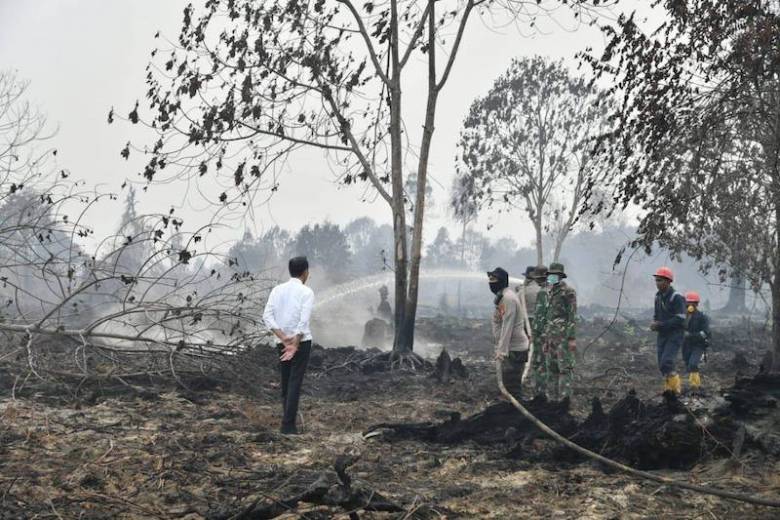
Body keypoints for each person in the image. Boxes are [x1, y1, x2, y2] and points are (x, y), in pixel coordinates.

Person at [262, 256, 315, 434]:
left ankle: (287, 420)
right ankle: (288, 426)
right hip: (301, 343)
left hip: (281, 343)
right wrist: (295, 343)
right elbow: (304, 320)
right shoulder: (307, 292)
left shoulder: (277, 290)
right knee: (294, 383)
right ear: (305, 272)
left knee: (286, 382)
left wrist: (283, 338)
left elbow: (267, 317)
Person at [488, 267, 531, 400]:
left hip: (514, 350)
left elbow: (508, 325)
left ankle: (519, 412)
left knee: (512, 387)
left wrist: (502, 351)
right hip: (511, 349)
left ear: (501, 281)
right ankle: (511, 411)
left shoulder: (508, 298)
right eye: (489, 279)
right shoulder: (503, 297)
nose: (490, 282)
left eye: (493, 279)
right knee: (508, 387)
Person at [536, 262, 577, 401]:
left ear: (560, 276)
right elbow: (547, 317)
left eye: (554, 275)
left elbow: (572, 315)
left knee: (564, 368)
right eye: (550, 275)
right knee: (551, 369)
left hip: (563, 338)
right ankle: (552, 401)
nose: (551, 277)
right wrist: (545, 340)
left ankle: (564, 401)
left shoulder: (568, 292)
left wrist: (571, 338)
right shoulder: (550, 292)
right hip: (551, 338)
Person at [651, 266, 686, 395]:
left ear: (668, 281)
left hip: (675, 334)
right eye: (656, 280)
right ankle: (668, 391)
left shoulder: (677, 297)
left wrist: (662, 325)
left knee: (667, 362)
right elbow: (657, 314)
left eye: (660, 280)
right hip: (662, 334)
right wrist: (655, 323)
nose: (657, 283)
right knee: (662, 365)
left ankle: (676, 391)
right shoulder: (658, 296)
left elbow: (681, 318)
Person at [682, 291, 711, 394]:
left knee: (693, 364)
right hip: (686, 345)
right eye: (688, 303)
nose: (690, 305)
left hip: (698, 345)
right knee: (687, 364)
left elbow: (706, 333)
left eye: (693, 303)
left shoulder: (702, 317)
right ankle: (692, 385)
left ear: (697, 304)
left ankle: (695, 386)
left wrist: (691, 335)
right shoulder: (683, 317)